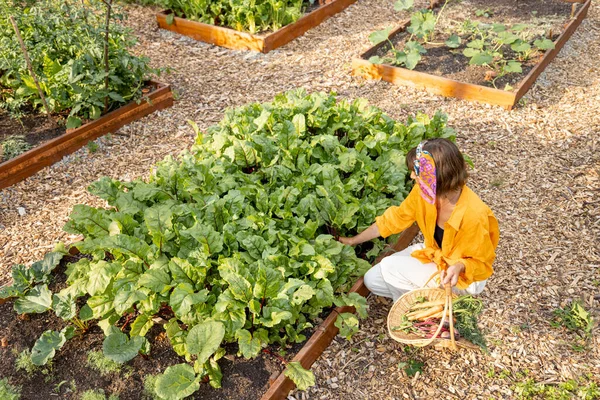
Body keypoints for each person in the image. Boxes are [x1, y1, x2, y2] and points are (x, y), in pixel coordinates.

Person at [338, 138, 499, 302]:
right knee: (372, 280)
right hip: (436, 254)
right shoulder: (425, 193)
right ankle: (425, 301)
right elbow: (395, 219)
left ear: (438, 178)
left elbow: (482, 264)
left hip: (462, 276)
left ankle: (420, 309)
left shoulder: (473, 215)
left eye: (417, 172)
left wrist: (459, 266)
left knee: (389, 267)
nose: (412, 175)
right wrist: (352, 241)